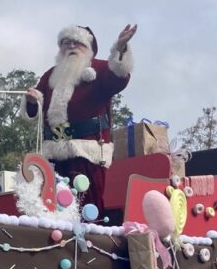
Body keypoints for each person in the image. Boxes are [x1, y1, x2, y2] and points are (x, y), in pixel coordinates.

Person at [21, 23, 136, 213]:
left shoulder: (99, 68)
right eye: (65, 42)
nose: (71, 46)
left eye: (77, 43)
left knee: (87, 205)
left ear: (88, 47)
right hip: (53, 153)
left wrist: (120, 47)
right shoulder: (51, 75)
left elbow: (118, 77)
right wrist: (32, 100)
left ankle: (90, 241)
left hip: (87, 153)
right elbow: (35, 111)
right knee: (53, 205)